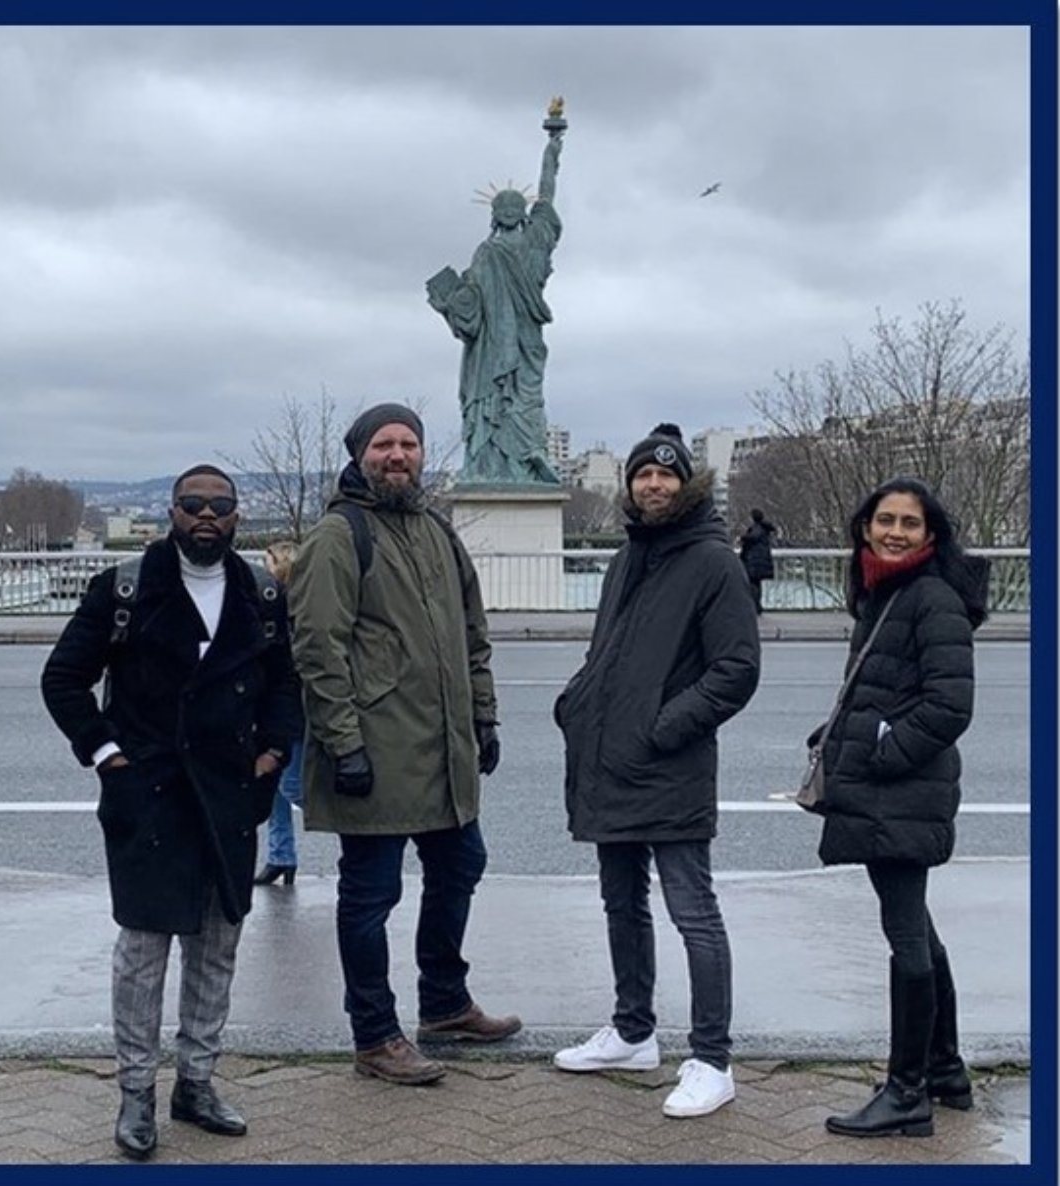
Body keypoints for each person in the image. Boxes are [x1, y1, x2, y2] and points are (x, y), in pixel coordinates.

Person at [40, 464, 301, 1160]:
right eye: (193, 504)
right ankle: (135, 1093)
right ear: (172, 512)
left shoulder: (262, 593)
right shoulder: (125, 588)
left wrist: (272, 755)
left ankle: (197, 1081)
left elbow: (284, 685)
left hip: (229, 796)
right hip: (148, 796)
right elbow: (63, 678)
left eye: (220, 505)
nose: (206, 516)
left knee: (217, 946)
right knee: (143, 955)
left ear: (238, 517)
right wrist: (107, 755)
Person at [287, 402, 519, 1087]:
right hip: (375, 752)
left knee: (460, 864)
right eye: (384, 443)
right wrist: (344, 745)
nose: (398, 454)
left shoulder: (437, 532)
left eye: (408, 443)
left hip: (443, 752)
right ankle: (375, 1034)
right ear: (361, 454)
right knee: (371, 895)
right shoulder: (339, 535)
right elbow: (317, 647)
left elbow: (473, 638)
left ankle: (445, 1002)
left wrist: (484, 718)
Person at [552, 423, 760, 1119]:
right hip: (611, 761)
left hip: (668, 764)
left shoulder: (714, 562)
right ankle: (634, 1031)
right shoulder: (626, 559)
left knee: (693, 913)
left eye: (667, 476)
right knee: (621, 903)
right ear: (632, 486)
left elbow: (736, 670)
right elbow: (607, 655)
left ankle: (711, 1059)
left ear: (686, 485)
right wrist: (578, 705)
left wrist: (663, 727)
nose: (655, 484)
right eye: (644, 475)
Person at [813, 476, 989, 1139]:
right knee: (918, 928)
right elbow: (884, 691)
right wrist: (842, 736)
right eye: (884, 520)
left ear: (930, 535)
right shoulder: (887, 593)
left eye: (909, 524)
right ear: (865, 528)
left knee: (906, 936)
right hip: (890, 789)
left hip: (901, 792)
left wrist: (879, 755)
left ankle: (906, 1092)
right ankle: (945, 1071)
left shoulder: (931, 599)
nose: (894, 531)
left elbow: (950, 707)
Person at [427, 118, 564, 484]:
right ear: (523, 214)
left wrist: (447, 301)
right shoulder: (536, 240)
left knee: (493, 404)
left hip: (494, 353)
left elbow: (468, 312)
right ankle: (523, 461)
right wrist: (552, 150)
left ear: (494, 215)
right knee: (526, 403)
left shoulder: (486, 254)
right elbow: (548, 195)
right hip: (523, 347)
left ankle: (503, 465)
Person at [254, 539, 305, 887]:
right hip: (271, 704)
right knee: (273, 786)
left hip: (295, 706)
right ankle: (280, 856)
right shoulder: (268, 603)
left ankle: (358, 834)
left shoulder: (298, 606)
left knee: (293, 787)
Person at [738, 507, 776, 613]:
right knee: (757, 584)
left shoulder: (756, 529)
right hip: (761, 560)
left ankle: (755, 606)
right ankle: (757, 605)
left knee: (753, 583)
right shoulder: (764, 529)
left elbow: (752, 538)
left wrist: (742, 538)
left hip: (754, 561)